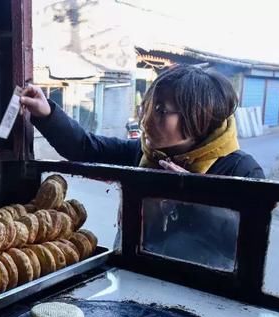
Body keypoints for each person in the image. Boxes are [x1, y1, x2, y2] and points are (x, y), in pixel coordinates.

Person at [20, 65, 263, 268]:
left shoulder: (240, 171)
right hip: (134, 274)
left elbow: (248, 249)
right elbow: (85, 147)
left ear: (200, 116)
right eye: (147, 107)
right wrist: (47, 113)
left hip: (203, 293)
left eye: (160, 110)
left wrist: (195, 196)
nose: (146, 120)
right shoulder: (143, 154)